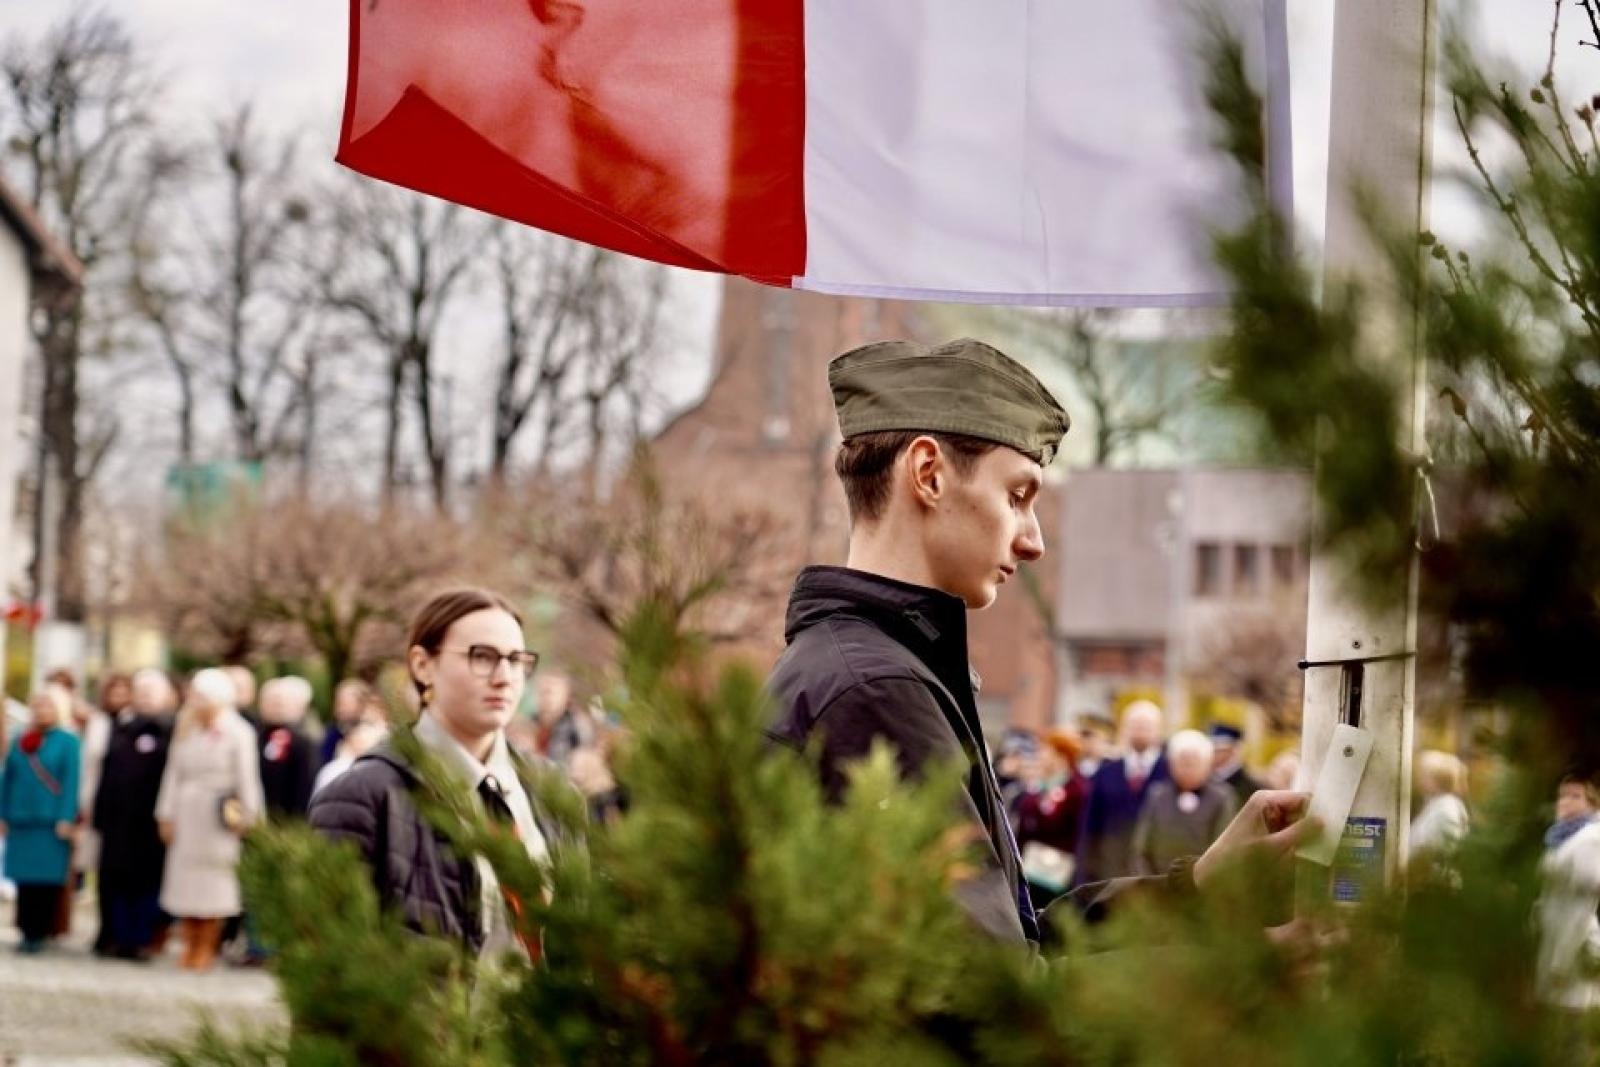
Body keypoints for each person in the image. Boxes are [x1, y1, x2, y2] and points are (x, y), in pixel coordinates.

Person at [765, 337, 1316, 948]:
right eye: (1017, 496)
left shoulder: (870, 668)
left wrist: (1199, 891)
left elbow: (1016, 943)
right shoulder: (875, 688)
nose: (1033, 541)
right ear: (928, 475)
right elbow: (995, 1007)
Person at [310, 588, 568, 961]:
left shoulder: (552, 789)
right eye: (482, 657)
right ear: (422, 664)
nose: (504, 676)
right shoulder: (362, 796)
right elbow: (329, 967)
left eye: (516, 660)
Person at [155, 669, 263, 970]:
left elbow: (248, 779)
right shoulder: (185, 726)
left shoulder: (239, 731)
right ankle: (189, 943)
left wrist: (249, 816)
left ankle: (207, 945)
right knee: (184, 881)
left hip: (219, 814)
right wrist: (165, 813)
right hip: (187, 811)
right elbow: (173, 774)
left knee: (215, 882)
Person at [93, 668, 174, 959]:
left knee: (145, 882)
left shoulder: (170, 729)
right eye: (140, 693)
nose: (145, 699)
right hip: (118, 821)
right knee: (116, 880)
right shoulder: (122, 727)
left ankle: (139, 939)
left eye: (151, 693)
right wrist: (100, 815)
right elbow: (108, 772)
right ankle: (116, 935)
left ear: (164, 697)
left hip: (149, 822)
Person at [0, 687, 81, 953]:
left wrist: (66, 816)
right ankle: (24, 929)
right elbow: (7, 778)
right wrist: (3, 813)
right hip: (21, 817)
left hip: (50, 820)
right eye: (39, 705)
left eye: (48, 706)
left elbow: (71, 781)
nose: (42, 711)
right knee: (24, 877)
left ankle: (41, 930)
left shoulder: (68, 742)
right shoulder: (21, 739)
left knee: (46, 879)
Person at [1077, 699, 1169, 885]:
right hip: (1110, 875)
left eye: (1146, 726)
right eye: (1135, 725)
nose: (1140, 732)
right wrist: (1083, 875)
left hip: (1155, 877)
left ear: (1159, 730)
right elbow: (1090, 828)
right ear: (1124, 729)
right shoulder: (1105, 773)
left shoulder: (1171, 773)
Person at [1132, 729, 1239, 875]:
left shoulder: (1222, 797)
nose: (1187, 768)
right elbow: (1141, 847)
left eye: (1193, 762)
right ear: (1171, 764)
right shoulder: (1158, 794)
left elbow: (1224, 848)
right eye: (1182, 762)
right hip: (1156, 884)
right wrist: (1146, 882)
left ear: (1207, 764)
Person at [1536, 774, 1600, 1010]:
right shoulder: (1561, 835)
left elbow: (1588, 891)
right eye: (1562, 795)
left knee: (1575, 1005)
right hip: (1556, 927)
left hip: (1574, 933)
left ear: (1591, 803)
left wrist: (1561, 959)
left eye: (1576, 796)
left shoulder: (1591, 838)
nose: (1566, 801)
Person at [1013, 728, 1088, 908]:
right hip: (1030, 869)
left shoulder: (1078, 790)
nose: (1039, 756)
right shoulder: (1037, 787)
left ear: (1061, 757)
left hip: (1060, 875)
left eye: (1045, 751)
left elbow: (1078, 833)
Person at [257, 676, 320, 821]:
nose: (276, 707)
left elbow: (305, 785)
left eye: (280, 703)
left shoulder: (302, 743)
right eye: (271, 702)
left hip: (287, 816)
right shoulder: (252, 736)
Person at [1408, 749, 1470, 875]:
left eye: (1424, 775)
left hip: (1435, 881)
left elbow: (1429, 848)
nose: (1419, 778)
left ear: (1437, 779)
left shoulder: (1446, 809)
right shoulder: (1437, 804)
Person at [534, 669, 595, 769]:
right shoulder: (532, 723)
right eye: (543, 691)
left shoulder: (577, 728)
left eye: (551, 692)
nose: (547, 698)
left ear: (565, 696)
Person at [319, 679, 372, 767]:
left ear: (361, 704)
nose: (340, 708)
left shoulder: (370, 735)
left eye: (346, 703)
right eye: (338, 702)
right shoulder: (330, 734)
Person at [1208, 722, 1260, 808]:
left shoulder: (1251, 787)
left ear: (1234, 751)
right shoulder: (1205, 780)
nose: (1214, 754)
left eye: (1220, 750)